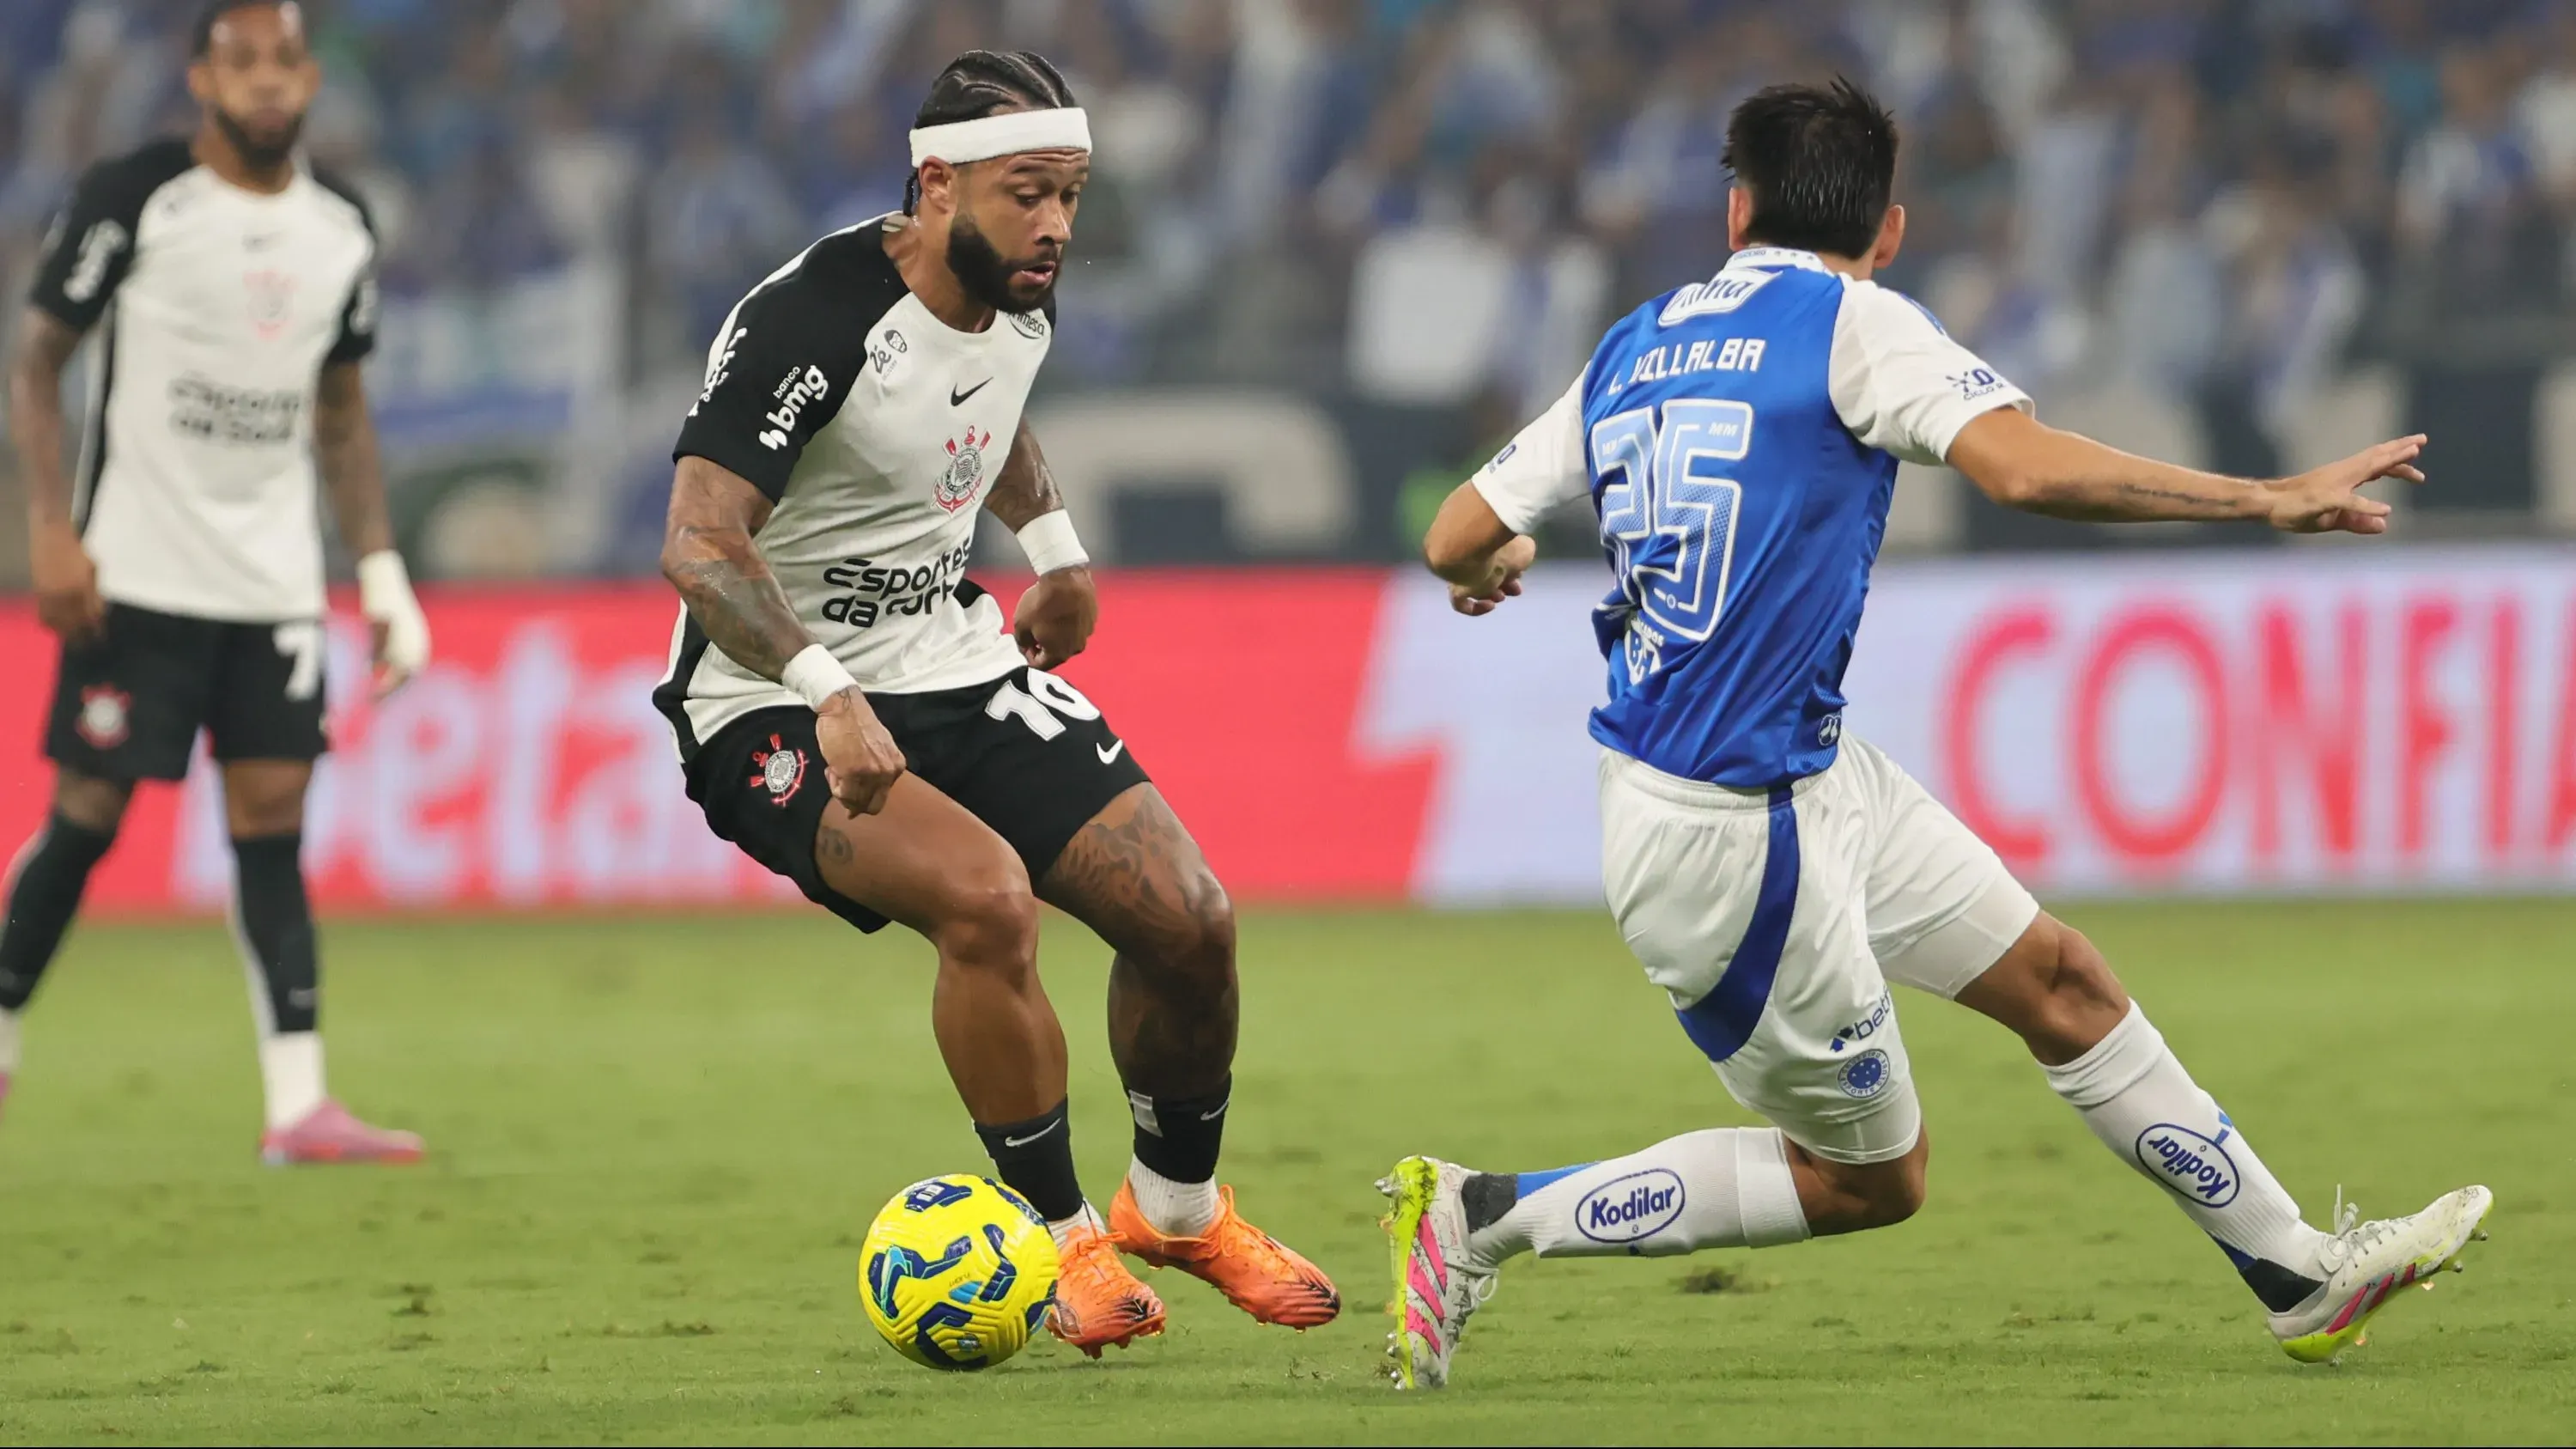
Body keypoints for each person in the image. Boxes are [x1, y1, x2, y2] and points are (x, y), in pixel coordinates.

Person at [1382, 77, 2488, 1389]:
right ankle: (1480, 1213)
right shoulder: (1856, 325)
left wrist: (1499, 551)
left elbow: (1453, 533)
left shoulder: (1640, 339)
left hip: (1802, 771)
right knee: (1872, 1178)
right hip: (1736, 836)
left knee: (2062, 984)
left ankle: (2296, 1271)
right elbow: (2020, 467)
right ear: (1889, 229)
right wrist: (2264, 496)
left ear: (1735, 209)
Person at [653, 50, 1339, 1357]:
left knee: (1189, 920)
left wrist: (1057, 545)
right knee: (986, 900)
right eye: (1030, 194)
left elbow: (989, 417)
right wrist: (827, 692)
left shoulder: (1018, 296)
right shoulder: (814, 318)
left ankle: (1177, 1212)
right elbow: (695, 543)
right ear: (937, 183)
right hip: (768, 698)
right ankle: (1064, 1238)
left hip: (951, 657)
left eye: (1073, 195)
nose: (1059, 227)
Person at [0, 0, 429, 1163]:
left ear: (311, 79)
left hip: (274, 582)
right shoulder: (136, 197)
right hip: (132, 571)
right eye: (241, 61)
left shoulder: (343, 225)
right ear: (200, 77)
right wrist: (51, 527)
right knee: (87, 816)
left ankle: (299, 1104)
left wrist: (381, 573)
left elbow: (340, 412)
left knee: (273, 821)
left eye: (286, 59)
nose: (267, 82)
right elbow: (40, 359)